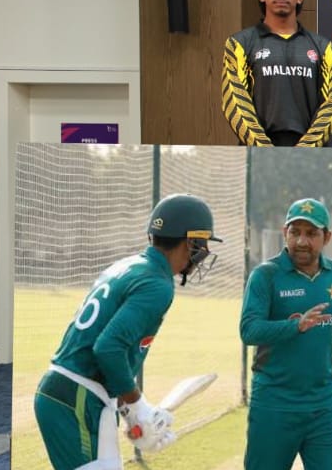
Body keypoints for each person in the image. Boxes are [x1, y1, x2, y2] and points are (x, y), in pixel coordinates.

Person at [34, 194, 221, 469]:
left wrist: (130, 412)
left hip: (77, 393)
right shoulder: (157, 284)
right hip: (78, 396)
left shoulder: (128, 266)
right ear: (190, 242)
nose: (204, 252)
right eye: (203, 243)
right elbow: (108, 348)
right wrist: (139, 407)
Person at [239, 199, 332, 469]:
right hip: (274, 405)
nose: (301, 241)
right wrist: (295, 326)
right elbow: (249, 330)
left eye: (311, 233)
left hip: (324, 406)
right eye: (295, 232)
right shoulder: (266, 275)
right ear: (284, 232)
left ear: (327, 237)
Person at [222, 0, 332, 147]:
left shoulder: (324, 47)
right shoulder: (239, 44)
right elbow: (235, 102)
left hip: (311, 155)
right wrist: (265, 150)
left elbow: (331, 104)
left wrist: (304, 150)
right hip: (258, 153)